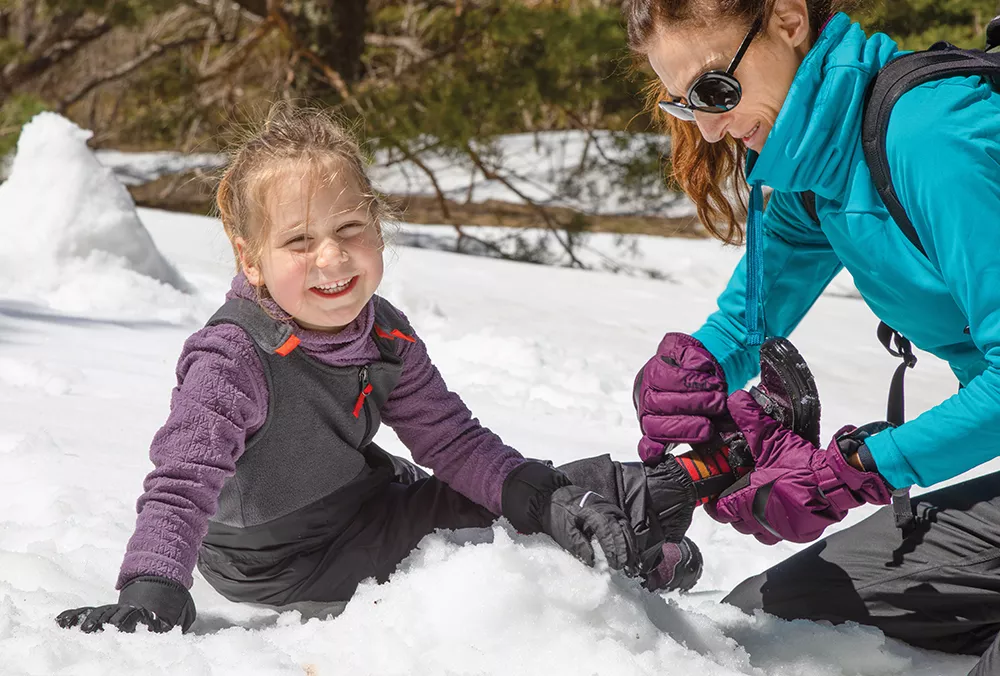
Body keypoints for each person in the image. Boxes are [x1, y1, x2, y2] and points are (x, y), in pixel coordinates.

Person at [54, 104, 710, 636]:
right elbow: (181, 481)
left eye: (350, 228)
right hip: (285, 559)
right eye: (299, 241)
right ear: (251, 260)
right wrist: (153, 587)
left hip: (366, 498)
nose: (333, 258)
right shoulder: (234, 358)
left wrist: (543, 500)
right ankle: (648, 528)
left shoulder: (385, 331)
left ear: (378, 228)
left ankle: (669, 504)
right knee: (483, 535)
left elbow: (451, 440)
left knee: (534, 495)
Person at [623, 0, 1000, 673]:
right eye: (686, 105)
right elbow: (748, 321)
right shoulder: (823, 166)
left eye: (715, 91)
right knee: (772, 620)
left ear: (789, 22)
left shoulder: (930, 138)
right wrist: (696, 370)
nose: (709, 130)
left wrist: (855, 473)